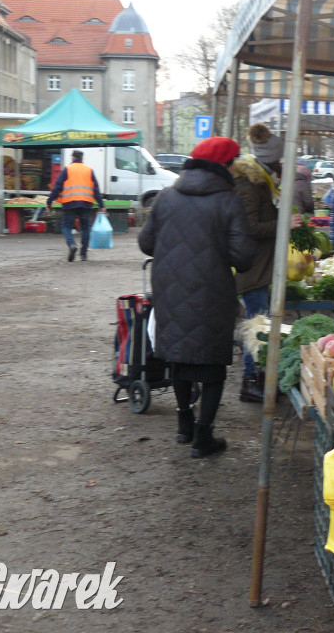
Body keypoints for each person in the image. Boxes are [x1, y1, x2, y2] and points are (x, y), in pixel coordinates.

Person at [138, 137, 256, 458]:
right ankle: (203, 437)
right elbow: (243, 256)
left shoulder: (165, 197)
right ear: (224, 166)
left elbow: (146, 243)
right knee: (211, 364)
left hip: (170, 289)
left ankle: (184, 425)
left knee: (180, 355)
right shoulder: (228, 201)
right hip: (212, 293)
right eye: (233, 163)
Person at [232, 146, 305, 402]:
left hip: (261, 266)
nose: (284, 167)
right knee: (256, 327)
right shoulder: (250, 185)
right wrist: (283, 223)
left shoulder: (260, 182)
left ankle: (260, 379)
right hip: (252, 267)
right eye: (282, 162)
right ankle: (250, 382)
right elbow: (249, 227)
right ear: (271, 163)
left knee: (260, 324)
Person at [45, 149, 106, 262]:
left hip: (69, 203)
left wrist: (49, 202)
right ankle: (83, 254)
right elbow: (96, 189)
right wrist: (101, 205)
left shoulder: (67, 169)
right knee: (86, 228)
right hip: (87, 203)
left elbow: (57, 187)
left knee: (67, 227)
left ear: (73, 158)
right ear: (82, 158)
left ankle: (72, 245)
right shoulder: (89, 170)